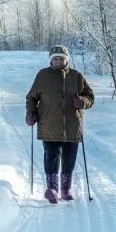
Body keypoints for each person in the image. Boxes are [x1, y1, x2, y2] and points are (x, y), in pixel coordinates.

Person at [25, 45, 95, 203]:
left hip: (72, 126)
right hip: (49, 125)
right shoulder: (43, 75)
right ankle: (52, 189)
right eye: (55, 58)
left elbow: (90, 97)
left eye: (61, 58)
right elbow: (31, 98)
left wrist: (82, 102)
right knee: (51, 156)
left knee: (69, 158)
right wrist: (31, 114)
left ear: (66, 59)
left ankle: (65, 189)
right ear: (51, 60)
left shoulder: (76, 76)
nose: (58, 61)